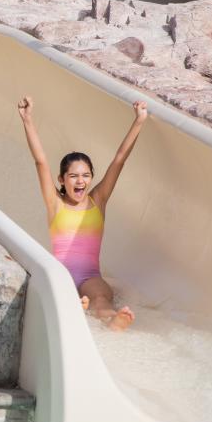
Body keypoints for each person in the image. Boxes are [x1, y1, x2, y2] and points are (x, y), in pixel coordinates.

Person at [17, 95, 148, 331]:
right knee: (68, 298)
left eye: (86, 175)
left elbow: (118, 161)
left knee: (101, 298)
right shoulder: (55, 203)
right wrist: (27, 120)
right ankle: (79, 305)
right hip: (61, 277)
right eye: (74, 176)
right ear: (62, 179)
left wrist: (139, 121)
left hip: (90, 277)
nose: (80, 181)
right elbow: (41, 162)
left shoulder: (98, 200)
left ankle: (112, 320)